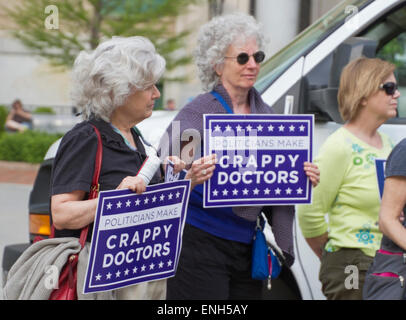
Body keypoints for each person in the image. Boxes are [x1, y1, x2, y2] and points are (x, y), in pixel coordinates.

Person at [159, 13, 320, 300]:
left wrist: (298, 177)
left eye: (257, 56)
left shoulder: (269, 117)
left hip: (246, 245)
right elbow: (170, 171)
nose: (253, 64)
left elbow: (276, 188)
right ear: (217, 65)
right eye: (242, 58)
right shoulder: (197, 114)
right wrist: (190, 177)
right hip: (199, 243)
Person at [50, 36, 215, 300]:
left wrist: (186, 180)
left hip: (140, 275)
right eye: (149, 86)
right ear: (119, 90)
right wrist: (114, 198)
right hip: (101, 281)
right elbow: (61, 214)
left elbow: (147, 206)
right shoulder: (86, 138)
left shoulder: (137, 137)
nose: (157, 94)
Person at [297, 57, 400, 300]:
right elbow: (309, 213)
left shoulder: (388, 145)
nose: (396, 94)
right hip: (351, 265)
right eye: (388, 88)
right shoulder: (339, 146)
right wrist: (335, 257)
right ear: (363, 95)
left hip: (386, 263)